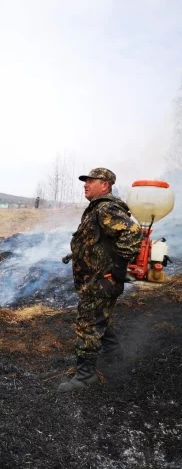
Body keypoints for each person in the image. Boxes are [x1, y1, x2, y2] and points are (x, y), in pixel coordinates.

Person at [59, 168, 142, 393]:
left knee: (88, 324)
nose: (85, 185)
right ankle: (114, 353)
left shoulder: (106, 207)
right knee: (99, 317)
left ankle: (86, 376)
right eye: (85, 181)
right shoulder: (97, 208)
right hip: (95, 277)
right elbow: (96, 241)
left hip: (101, 280)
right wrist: (75, 254)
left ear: (105, 185)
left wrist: (119, 267)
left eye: (91, 181)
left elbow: (133, 233)